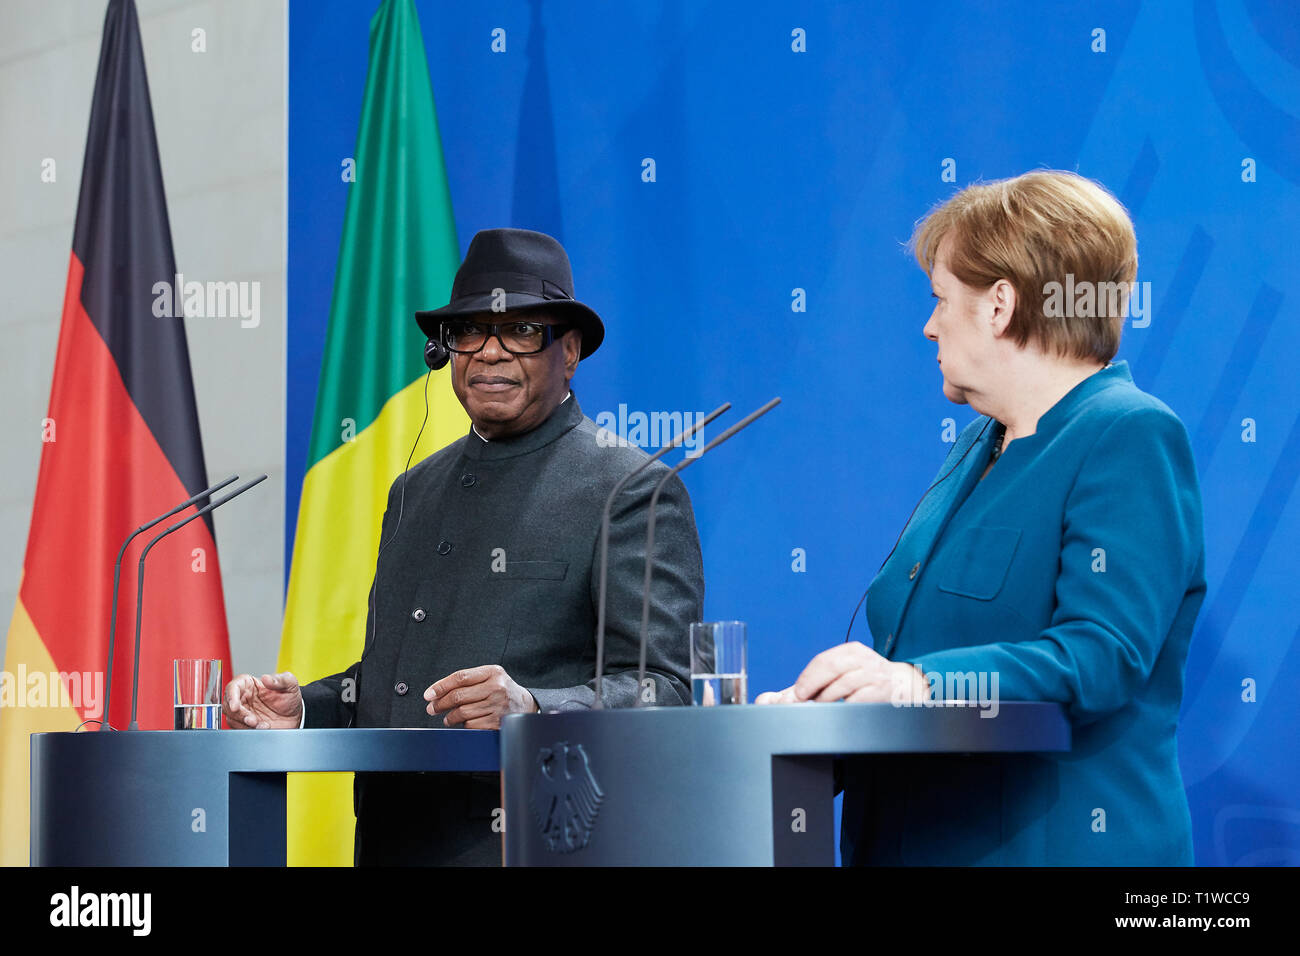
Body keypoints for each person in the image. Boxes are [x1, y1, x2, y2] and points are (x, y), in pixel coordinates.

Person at [758, 170, 1206, 866]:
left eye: (941, 299)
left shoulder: (1128, 434)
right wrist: (829, 718)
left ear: (1000, 304)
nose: (929, 324)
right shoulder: (979, 444)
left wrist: (918, 684)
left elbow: (1101, 655)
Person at [223, 228, 705, 865]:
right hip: (388, 845)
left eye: (523, 331)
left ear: (571, 351)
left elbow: (665, 689)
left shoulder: (634, 488)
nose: (490, 354)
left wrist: (532, 707)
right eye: (470, 332)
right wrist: (304, 709)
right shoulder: (411, 491)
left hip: (537, 845)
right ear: (443, 351)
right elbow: (395, 682)